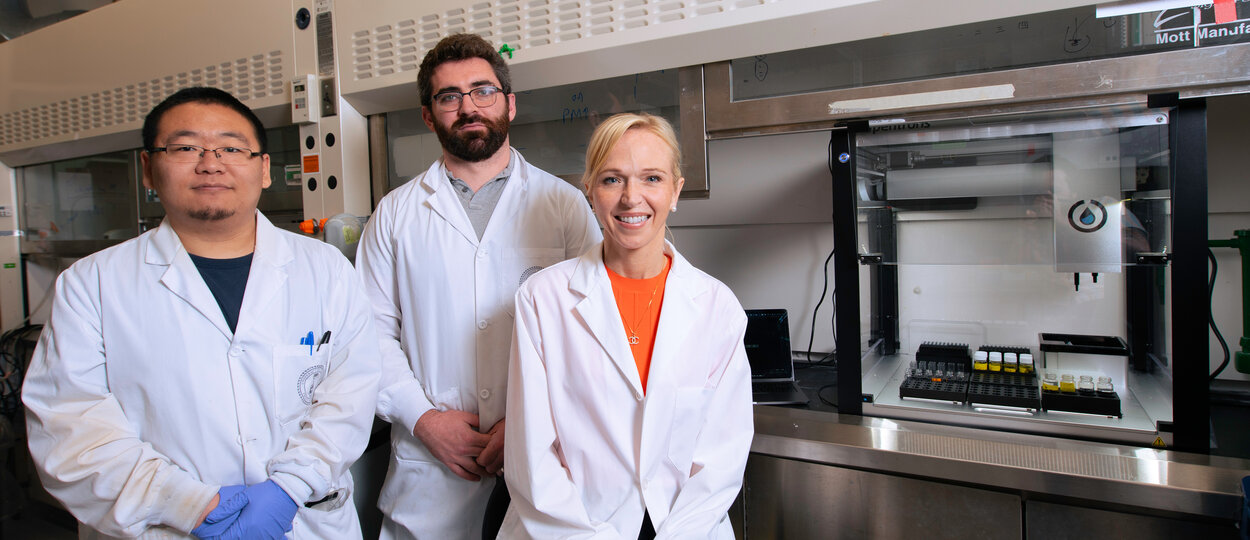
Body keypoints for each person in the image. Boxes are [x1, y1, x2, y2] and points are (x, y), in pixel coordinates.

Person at [22, 87, 381, 539]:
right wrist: (191, 505)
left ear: (264, 168)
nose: (210, 162)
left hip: (302, 518)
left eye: (232, 147)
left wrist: (289, 487)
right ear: (149, 169)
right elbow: (69, 430)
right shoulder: (91, 284)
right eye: (185, 147)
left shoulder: (326, 269)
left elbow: (351, 394)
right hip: (164, 527)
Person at [355, 33, 601, 540]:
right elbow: (368, 334)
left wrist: (529, 421)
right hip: (429, 477)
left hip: (543, 461)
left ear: (509, 104)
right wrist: (423, 420)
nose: (468, 107)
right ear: (429, 115)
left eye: (482, 91)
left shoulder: (565, 206)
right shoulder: (395, 215)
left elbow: (595, 333)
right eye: (449, 97)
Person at [501, 113, 754, 538]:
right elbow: (532, 457)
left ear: (676, 190)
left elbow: (721, 461)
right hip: (570, 528)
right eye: (612, 179)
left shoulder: (717, 307)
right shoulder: (543, 299)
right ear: (590, 191)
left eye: (652, 178)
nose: (631, 197)